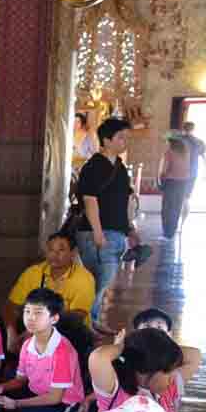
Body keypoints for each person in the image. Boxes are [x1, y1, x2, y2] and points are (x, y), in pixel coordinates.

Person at [0, 288, 86, 412]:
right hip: (35, 394)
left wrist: (16, 403)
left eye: (38, 313)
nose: (30, 318)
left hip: (63, 404)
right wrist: (3, 387)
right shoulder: (27, 345)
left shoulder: (62, 351)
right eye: (27, 311)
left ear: (54, 319)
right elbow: (20, 380)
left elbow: (55, 397)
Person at [75, 118, 137, 330]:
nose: (125, 141)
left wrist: (130, 228)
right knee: (98, 283)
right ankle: (87, 325)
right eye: (121, 137)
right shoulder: (93, 166)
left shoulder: (119, 167)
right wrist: (98, 233)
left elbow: (125, 200)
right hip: (98, 233)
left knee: (102, 283)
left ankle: (91, 323)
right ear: (106, 140)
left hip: (116, 232)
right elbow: (89, 200)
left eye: (127, 137)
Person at [4, 231, 96, 349]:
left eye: (61, 250)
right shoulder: (33, 272)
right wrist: (11, 333)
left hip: (67, 330)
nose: (54, 255)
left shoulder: (84, 278)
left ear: (73, 253)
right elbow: (11, 306)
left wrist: (39, 329)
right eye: (51, 250)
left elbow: (77, 315)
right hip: (33, 326)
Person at [158, 136, 192, 239]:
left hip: (171, 182)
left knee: (167, 208)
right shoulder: (186, 153)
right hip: (183, 182)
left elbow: (164, 169)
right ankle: (172, 232)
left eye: (168, 143)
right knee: (176, 208)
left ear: (172, 144)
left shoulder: (169, 152)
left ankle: (166, 233)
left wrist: (161, 178)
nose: (167, 145)